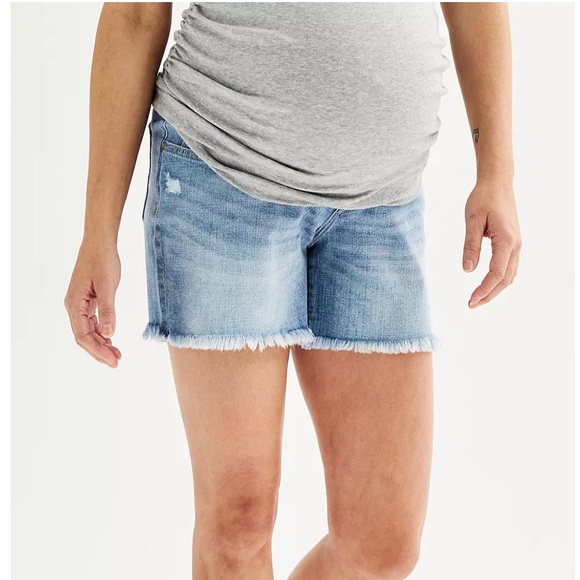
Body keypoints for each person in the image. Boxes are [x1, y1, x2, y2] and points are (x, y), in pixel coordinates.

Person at [64, 3, 522, 579]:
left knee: (382, 541)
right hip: (223, 175)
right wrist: (98, 231)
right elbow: (135, 16)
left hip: (381, 203)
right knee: (238, 525)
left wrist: (496, 172)